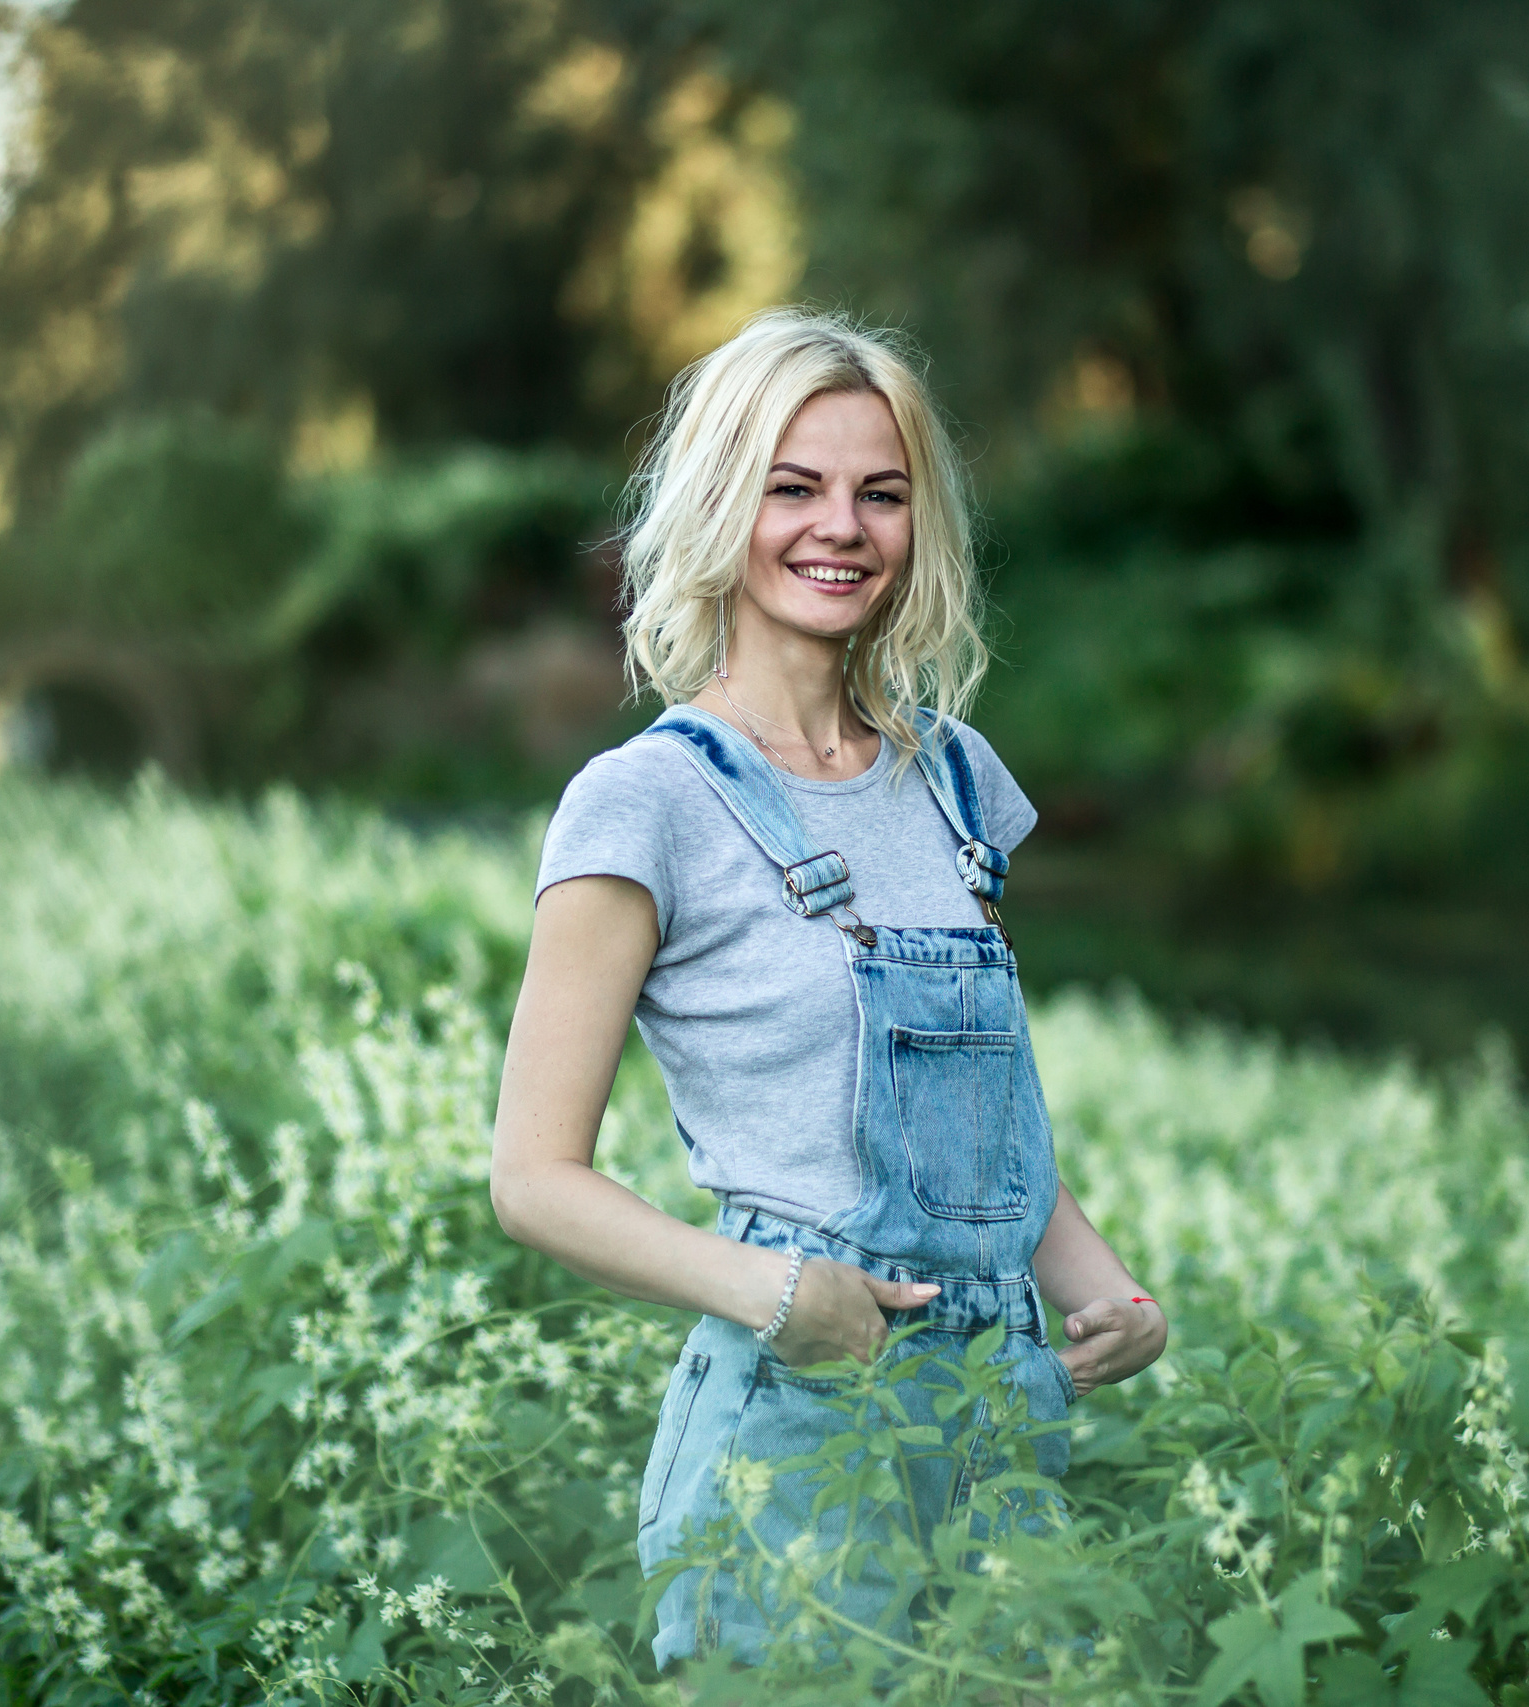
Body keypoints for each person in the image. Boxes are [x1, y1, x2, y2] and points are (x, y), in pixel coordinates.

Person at [489, 307, 1167, 1670]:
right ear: (722, 506)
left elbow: (981, 1115)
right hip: (796, 1426)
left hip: (999, 1410)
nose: (839, 527)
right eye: (792, 488)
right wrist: (769, 1291)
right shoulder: (645, 803)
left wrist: (1100, 1288)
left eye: (882, 493)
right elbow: (531, 1179)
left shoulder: (959, 778)